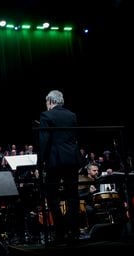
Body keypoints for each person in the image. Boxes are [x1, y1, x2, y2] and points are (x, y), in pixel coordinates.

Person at [38, 90, 81, 243]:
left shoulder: (46, 115)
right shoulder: (72, 115)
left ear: (50, 101)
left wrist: (39, 162)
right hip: (71, 159)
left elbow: (44, 141)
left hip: (55, 160)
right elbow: (75, 137)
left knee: (52, 196)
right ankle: (73, 230)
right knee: (72, 196)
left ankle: (60, 230)